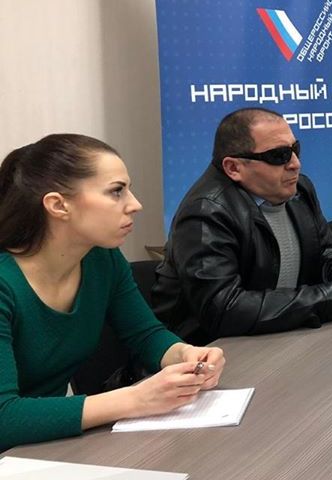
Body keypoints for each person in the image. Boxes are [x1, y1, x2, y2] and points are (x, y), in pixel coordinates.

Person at [0, 134, 225, 451]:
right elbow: (4, 417)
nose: (135, 205)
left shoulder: (101, 259)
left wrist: (185, 356)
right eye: (116, 191)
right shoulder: (6, 283)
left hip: (42, 449)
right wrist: (136, 399)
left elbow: (145, 335)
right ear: (58, 205)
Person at [153, 108, 332, 344]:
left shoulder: (299, 190)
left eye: (295, 150)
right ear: (234, 168)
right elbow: (223, 309)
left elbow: (324, 250)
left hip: (281, 335)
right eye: (279, 156)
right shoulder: (206, 213)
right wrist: (331, 299)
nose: (295, 164)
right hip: (211, 351)